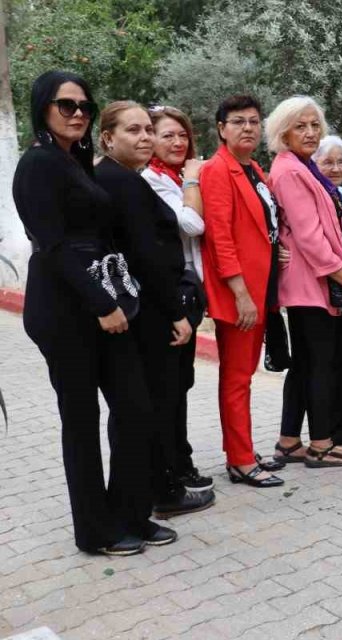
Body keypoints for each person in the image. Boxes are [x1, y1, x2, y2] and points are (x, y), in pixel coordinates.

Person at [15, 71, 163, 555]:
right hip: (65, 308)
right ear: (43, 108)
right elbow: (53, 245)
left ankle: (129, 514)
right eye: (66, 105)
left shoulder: (73, 160)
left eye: (84, 106)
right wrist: (103, 304)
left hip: (101, 301)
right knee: (81, 421)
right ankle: (95, 532)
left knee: (134, 408)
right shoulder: (38, 164)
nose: (77, 113)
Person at [96, 101, 210, 522]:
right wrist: (175, 312)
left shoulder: (121, 177)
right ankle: (161, 493)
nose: (144, 137)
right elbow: (147, 255)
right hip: (149, 311)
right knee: (154, 404)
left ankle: (159, 488)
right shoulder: (124, 182)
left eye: (147, 129)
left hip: (145, 306)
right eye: (134, 130)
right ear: (107, 138)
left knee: (157, 402)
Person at [264, 96, 342, 470]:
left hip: (309, 282)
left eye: (314, 125)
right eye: (300, 126)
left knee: (306, 364)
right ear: (283, 132)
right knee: (321, 364)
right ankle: (321, 444)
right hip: (311, 284)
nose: (310, 132)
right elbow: (310, 238)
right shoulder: (291, 171)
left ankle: (289, 441)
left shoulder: (300, 166)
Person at [199, 94, 288, 488]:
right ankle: (239, 460)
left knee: (244, 376)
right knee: (236, 378)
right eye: (238, 121)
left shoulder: (253, 169)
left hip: (261, 287)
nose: (248, 128)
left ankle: (244, 450)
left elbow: (262, 224)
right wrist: (240, 293)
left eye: (253, 121)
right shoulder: (218, 170)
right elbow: (219, 237)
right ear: (222, 129)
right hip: (241, 293)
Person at [140, 105, 217, 501]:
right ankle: (171, 470)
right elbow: (192, 224)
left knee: (181, 383)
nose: (177, 142)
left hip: (190, 292)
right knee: (168, 387)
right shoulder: (151, 181)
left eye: (182, 135)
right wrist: (191, 180)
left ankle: (180, 462)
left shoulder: (173, 178)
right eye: (167, 135)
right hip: (168, 294)